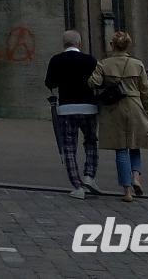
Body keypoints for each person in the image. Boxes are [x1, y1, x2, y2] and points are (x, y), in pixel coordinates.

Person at [89, 30, 148, 202]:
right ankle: (136, 177)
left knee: (121, 149)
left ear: (112, 45)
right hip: (134, 105)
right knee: (135, 144)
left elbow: (93, 83)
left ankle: (127, 191)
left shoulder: (104, 64)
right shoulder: (137, 64)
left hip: (114, 108)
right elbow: (145, 90)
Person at [45, 29, 102, 198]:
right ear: (79, 43)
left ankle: (77, 186)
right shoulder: (89, 60)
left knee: (69, 147)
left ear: (64, 44)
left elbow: (50, 82)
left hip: (66, 108)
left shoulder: (56, 60)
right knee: (91, 142)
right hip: (88, 107)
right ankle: (89, 176)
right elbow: (98, 81)